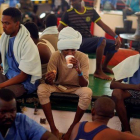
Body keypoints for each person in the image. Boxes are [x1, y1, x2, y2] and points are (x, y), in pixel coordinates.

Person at [37, 27, 93, 140]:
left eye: (73, 50)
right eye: (66, 50)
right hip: (58, 86)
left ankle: (72, 128)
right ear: (61, 48)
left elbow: (84, 85)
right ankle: (53, 128)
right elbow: (50, 82)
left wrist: (78, 71)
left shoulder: (83, 57)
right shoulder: (56, 56)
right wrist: (49, 78)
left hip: (76, 88)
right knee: (42, 88)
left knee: (87, 92)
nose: (70, 53)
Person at [58, 0, 121, 80]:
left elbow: (103, 25)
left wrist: (116, 36)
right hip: (77, 42)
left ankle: (104, 66)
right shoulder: (68, 13)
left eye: (74, 1)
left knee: (113, 44)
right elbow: (58, 30)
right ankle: (98, 71)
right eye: (71, 1)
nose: (72, 3)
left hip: (88, 39)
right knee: (102, 40)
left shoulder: (90, 11)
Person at [0, 7, 41, 97]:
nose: (3, 26)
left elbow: (23, 76)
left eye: (7, 23)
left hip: (24, 83)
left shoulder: (27, 44)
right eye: (2, 23)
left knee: (3, 95)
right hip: (9, 75)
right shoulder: (4, 38)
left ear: (17, 24)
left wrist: (1, 85)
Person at [70, 96, 140, 140]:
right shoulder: (114, 134)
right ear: (112, 115)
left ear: (93, 111)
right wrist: (126, 135)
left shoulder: (78, 126)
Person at [111, 54, 140, 132]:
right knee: (116, 93)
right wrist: (135, 87)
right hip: (134, 91)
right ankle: (127, 130)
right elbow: (113, 84)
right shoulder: (132, 61)